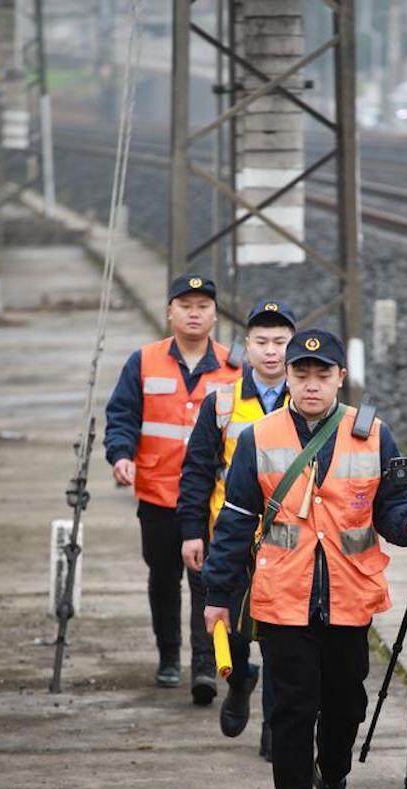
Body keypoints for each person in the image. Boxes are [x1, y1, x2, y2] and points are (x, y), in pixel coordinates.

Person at [201, 329, 407, 789]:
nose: (311, 385)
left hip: (350, 597)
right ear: (287, 376)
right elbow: (235, 521)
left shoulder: (373, 434)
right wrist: (218, 592)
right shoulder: (259, 437)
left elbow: (390, 505)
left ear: (340, 378)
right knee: (289, 709)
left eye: (321, 375)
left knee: (345, 704)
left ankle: (333, 779)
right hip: (283, 597)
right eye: (301, 374)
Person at [104, 273, 241, 703]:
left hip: (212, 499)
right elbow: (122, 416)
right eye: (186, 305)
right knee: (163, 578)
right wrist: (121, 455)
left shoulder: (236, 368)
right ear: (170, 312)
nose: (194, 313)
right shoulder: (143, 362)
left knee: (209, 581)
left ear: (215, 315)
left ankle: (205, 666)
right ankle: (168, 657)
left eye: (203, 306)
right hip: (159, 494)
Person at [178, 301, 296, 761]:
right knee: (237, 631)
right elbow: (196, 471)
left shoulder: (306, 400)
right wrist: (193, 531)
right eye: (262, 342)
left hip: (288, 544)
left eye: (281, 343)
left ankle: (274, 727)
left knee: (282, 641)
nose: (271, 353)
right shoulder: (222, 402)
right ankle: (240, 678)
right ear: (245, 347)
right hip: (232, 537)